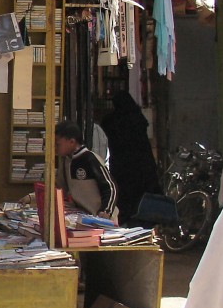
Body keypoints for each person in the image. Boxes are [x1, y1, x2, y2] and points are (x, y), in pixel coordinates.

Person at [100, 91, 161, 223]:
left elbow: (106, 127)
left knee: (124, 196)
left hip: (121, 165)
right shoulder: (138, 118)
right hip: (142, 164)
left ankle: (126, 219)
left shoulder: (111, 121)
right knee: (141, 196)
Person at [54, 120, 118, 220]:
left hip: (101, 217)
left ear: (72, 142)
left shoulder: (90, 159)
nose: (55, 148)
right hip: (83, 217)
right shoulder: (66, 161)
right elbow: (59, 188)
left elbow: (110, 187)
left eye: (58, 144)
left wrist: (106, 211)